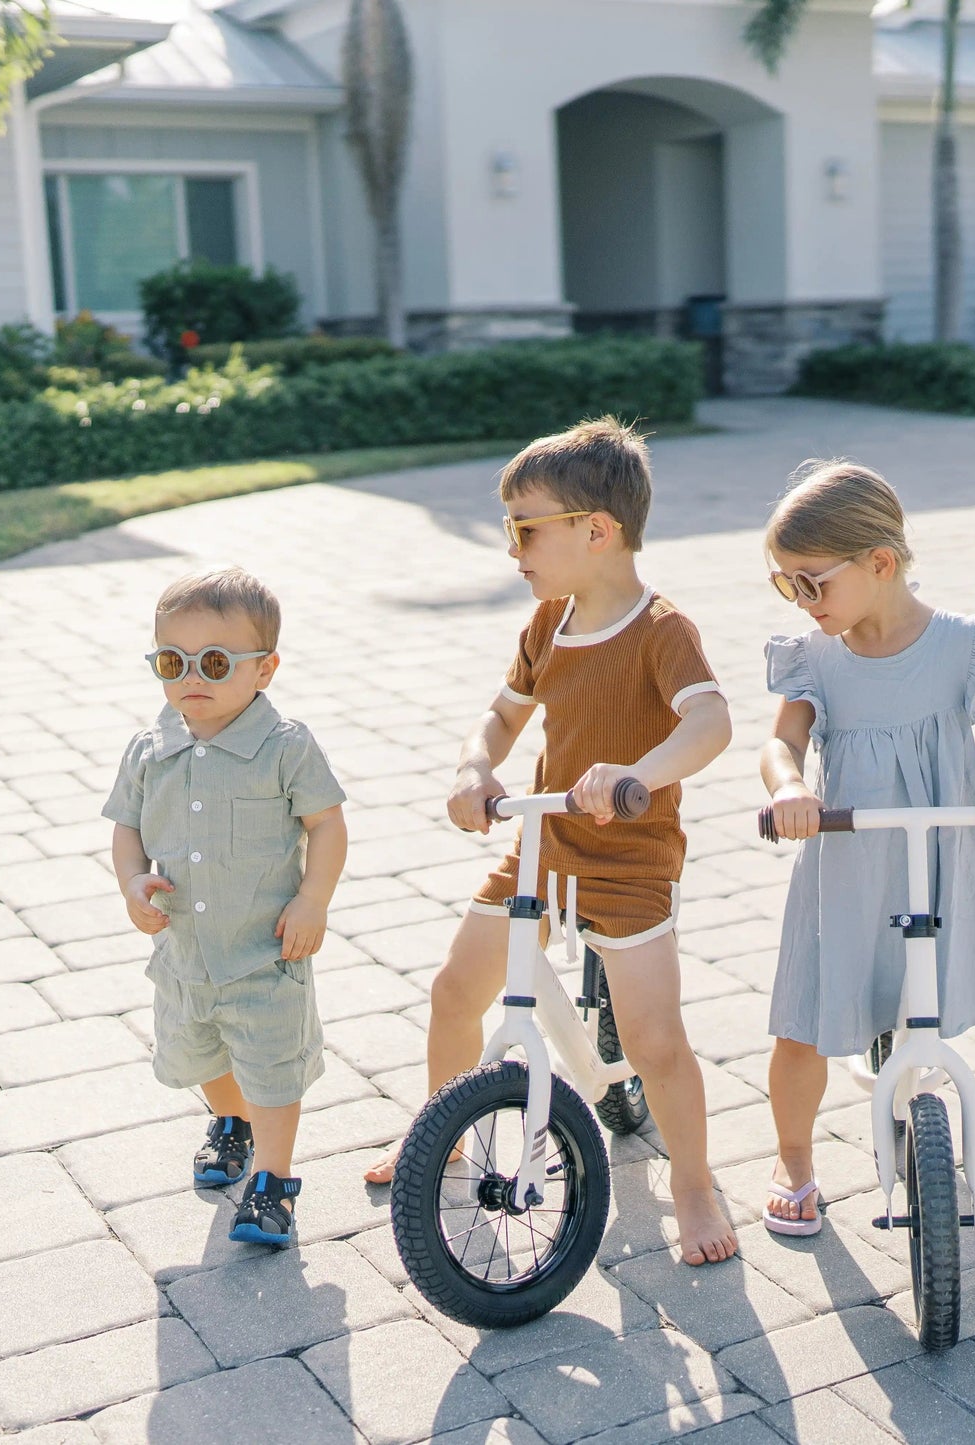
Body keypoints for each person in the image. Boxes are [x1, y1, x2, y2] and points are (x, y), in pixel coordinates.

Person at [365, 417, 739, 1266]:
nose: (513, 550)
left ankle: (692, 1181)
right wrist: (474, 768)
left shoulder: (659, 630)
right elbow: (501, 715)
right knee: (455, 990)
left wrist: (635, 771)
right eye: (511, 531)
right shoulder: (548, 623)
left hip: (628, 856)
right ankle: (447, 1138)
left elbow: (710, 721)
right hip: (542, 844)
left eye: (525, 530)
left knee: (655, 1043)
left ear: (595, 531)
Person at [758, 461, 975, 1234]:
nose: (801, 602)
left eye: (811, 583)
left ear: (880, 564)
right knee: (801, 1020)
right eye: (785, 585)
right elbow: (780, 746)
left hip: (954, 861)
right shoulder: (816, 658)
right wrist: (789, 789)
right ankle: (793, 1159)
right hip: (848, 865)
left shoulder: (961, 644)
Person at [104, 567, 348, 1247]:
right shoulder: (150, 750)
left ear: (264, 668)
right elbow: (125, 826)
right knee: (199, 1055)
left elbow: (326, 825)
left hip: (264, 952)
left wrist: (312, 899)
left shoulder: (284, 747)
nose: (191, 676)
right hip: (184, 955)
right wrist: (131, 881)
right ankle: (229, 1122)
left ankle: (272, 1183)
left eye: (213, 661)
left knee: (270, 1068)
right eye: (170, 661)